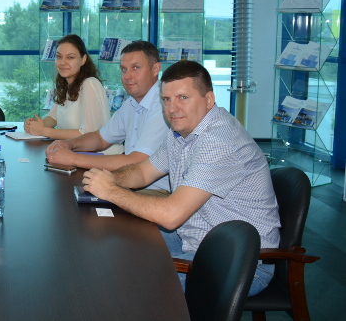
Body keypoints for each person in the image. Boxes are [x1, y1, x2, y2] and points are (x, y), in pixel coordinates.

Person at [83, 60, 280, 295]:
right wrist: (109, 179)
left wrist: (110, 191)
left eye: (183, 98)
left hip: (240, 262)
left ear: (209, 100)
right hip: (195, 239)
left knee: (126, 281)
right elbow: (144, 171)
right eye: (167, 100)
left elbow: (171, 216)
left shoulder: (218, 141)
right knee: (115, 248)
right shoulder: (181, 132)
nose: (172, 109)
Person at [45, 40, 170, 194]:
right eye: (124, 69)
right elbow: (100, 138)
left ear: (155, 69)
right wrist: (69, 145)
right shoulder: (131, 103)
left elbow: (137, 161)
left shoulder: (164, 104)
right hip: (130, 183)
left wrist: (73, 158)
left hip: (158, 192)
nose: (127, 76)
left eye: (135, 68)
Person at [24, 34, 119, 148]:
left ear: (83, 59)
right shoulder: (65, 84)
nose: (62, 62)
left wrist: (44, 131)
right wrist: (35, 126)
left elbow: (88, 134)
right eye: (59, 56)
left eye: (70, 57)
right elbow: (53, 117)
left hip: (98, 158)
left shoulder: (90, 84)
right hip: (71, 153)